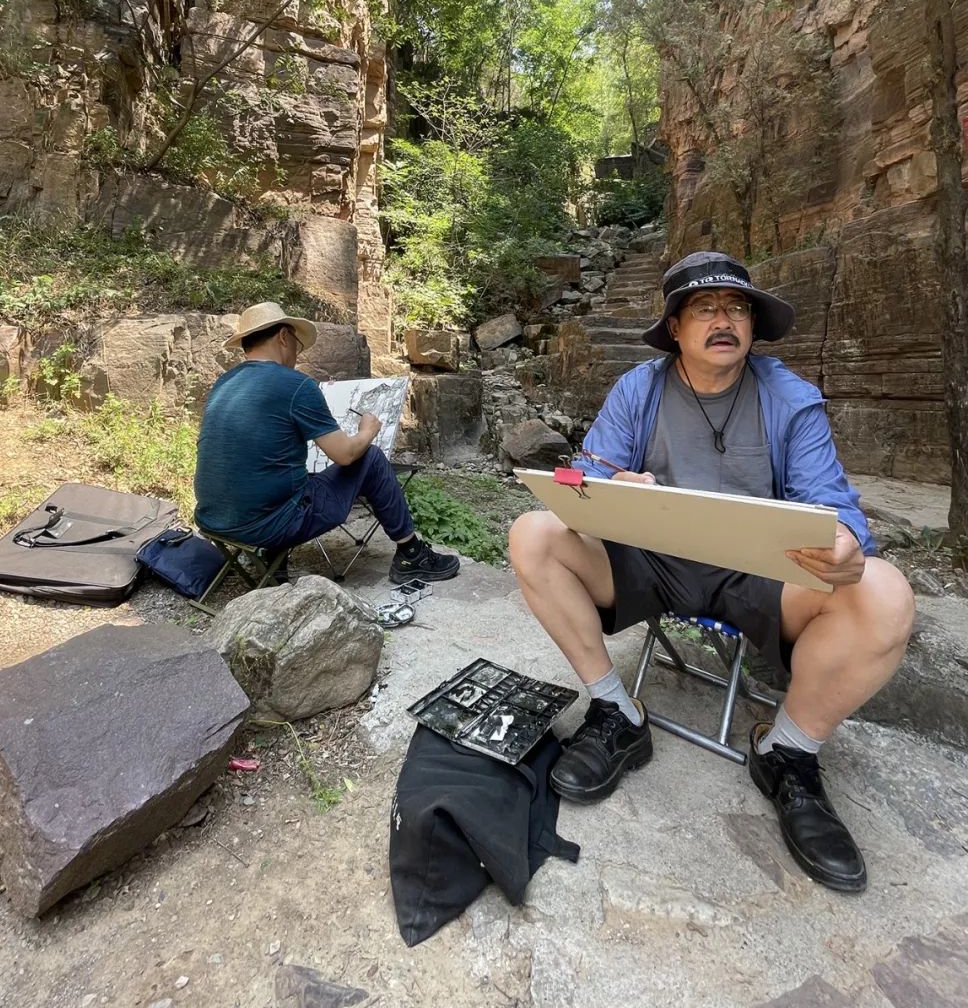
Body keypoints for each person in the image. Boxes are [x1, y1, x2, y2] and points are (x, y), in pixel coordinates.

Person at [508, 250, 915, 893]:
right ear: (675, 326)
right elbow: (577, 472)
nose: (723, 321)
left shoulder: (790, 397)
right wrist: (613, 480)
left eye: (736, 308)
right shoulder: (639, 388)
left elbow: (836, 506)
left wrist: (847, 541)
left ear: (752, 324)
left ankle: (787, 753)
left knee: (886, 593)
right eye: (704, 308)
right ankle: (618, 715)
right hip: (652, 562)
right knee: (532, 536)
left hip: (761, 576)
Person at [194, 302, 460, 585]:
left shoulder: (224, 383)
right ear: (284, 337)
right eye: (297, 343)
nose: (298, 353)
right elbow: (345, 455)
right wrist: (367, 430)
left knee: (284, 475)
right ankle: (411, 554)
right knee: (369, 458)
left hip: (214, 518)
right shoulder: (294, 384)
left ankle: (275, 558)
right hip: (268, 526)